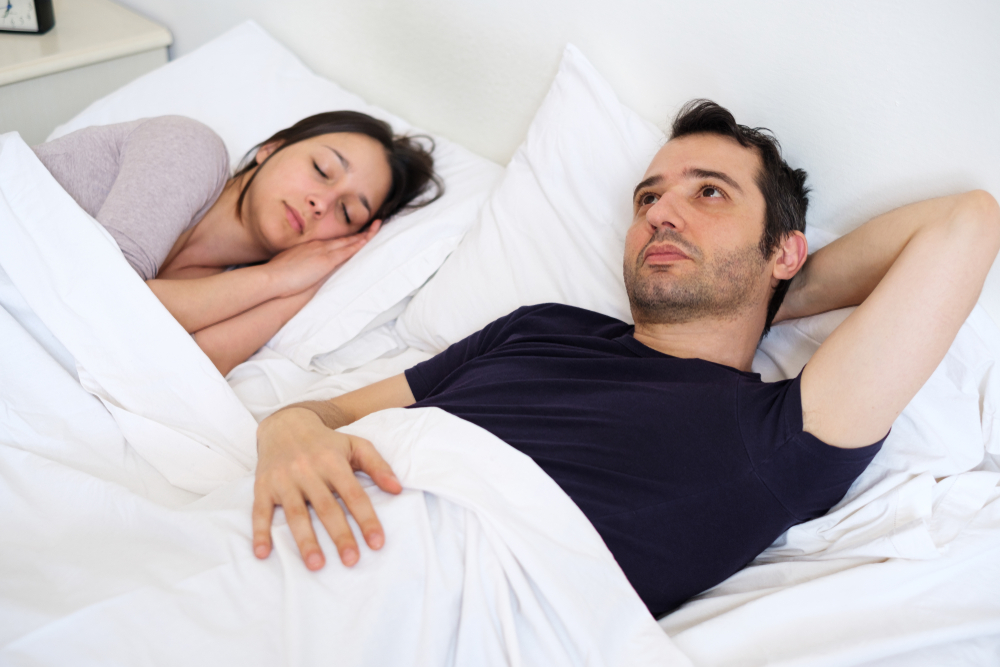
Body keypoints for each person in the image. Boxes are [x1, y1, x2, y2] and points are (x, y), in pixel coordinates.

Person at [250, 100, 1000, 617]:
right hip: (287, 531)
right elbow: (328, 413)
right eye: (648, 198)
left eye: (709, 193)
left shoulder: (777, 433)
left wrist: (767, 291)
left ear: (785, 250)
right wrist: (286, 431)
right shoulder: (539, 327)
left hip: (403, 601)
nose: (660, 213)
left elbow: (968, 221)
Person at [33, 112, 441, 375]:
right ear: (271, 148)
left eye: (347, 213)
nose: (322, 203)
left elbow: (180, 375)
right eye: (321, 169)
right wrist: (276, 277)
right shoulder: (191, 149)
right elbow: (99, 302)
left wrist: (303, 283)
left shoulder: (221, 290)